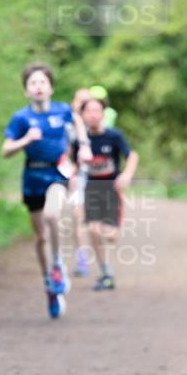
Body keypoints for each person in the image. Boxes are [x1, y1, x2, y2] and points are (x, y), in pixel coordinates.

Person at [2, 62, 89, 318]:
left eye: (43, 82)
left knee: (53, 215)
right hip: (32, 177)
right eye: (33, 83)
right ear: (26, 90)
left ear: (50, 87)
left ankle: (58, 265)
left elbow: (78, 124)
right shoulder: (21, 118)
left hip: (57, 173)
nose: (38, 87)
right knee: (40, 237)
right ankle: (50, 285)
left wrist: (83, 145)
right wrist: (26, 140)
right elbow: (5, 150)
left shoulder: (63, 110)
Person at [73, 96, 139, 290]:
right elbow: (72, 165)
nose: (93, 115)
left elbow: (132, 155)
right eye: (88, 111)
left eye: (96, 111)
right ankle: (106, 272)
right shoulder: (81, 142)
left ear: (103, 114)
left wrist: (126, 175)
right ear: (83, 115)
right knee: (93, 229)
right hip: (92, 189)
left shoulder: (114, 136)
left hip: (112, 190)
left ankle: (106, 267)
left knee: (110, 235)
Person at [70, 88, 93, 277]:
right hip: (75, 177)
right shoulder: (66, 125)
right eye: (80, 101)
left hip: (96, 179)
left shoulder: (97, 126)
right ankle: (82, 259)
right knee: (78, 217)